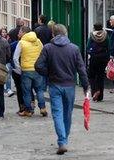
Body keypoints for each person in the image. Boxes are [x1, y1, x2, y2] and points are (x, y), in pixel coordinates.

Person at [35, 24, 89, 155]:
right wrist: (86, 85)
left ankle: (62, 141)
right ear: (65, 34)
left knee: (57, 113)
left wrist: (48, 73)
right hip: (69, 86)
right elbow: (81, 69)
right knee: (67, 114)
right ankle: (64, 139)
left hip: (54, 85)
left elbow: (38, 65)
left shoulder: (48, 48)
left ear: (53, 34)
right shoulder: (74, 49)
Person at [13, 26, 46, 117]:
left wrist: (19, 69)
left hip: (26, 70)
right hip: (37, 69)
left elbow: (15, 58)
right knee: (39, 90)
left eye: (20, 31)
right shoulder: (38, 41)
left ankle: (28, 110)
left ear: (24, 32)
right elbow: (43, 54)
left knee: (26, 91)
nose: (18, 33)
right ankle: (42, 108)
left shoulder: (21, 42)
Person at [87, 23, 110, 102]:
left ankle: (95, 91)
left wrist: (90, 52)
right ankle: (100, 96)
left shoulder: (92, 36)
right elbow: (109, 47)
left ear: (94, 28)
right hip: (103, 58)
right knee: (100, 76)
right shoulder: (106, 35)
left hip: (94, 57)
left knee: (92, 76)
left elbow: (88, 47)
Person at [0, 27, 14, 97]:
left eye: (5, 32)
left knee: (8, 76)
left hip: (8, 60)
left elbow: (10, 51)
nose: (4, 33)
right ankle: (2, 89)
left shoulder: (9, 41)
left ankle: (8, 89)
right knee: (1, 76)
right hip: (1, 61)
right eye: (2, 32)